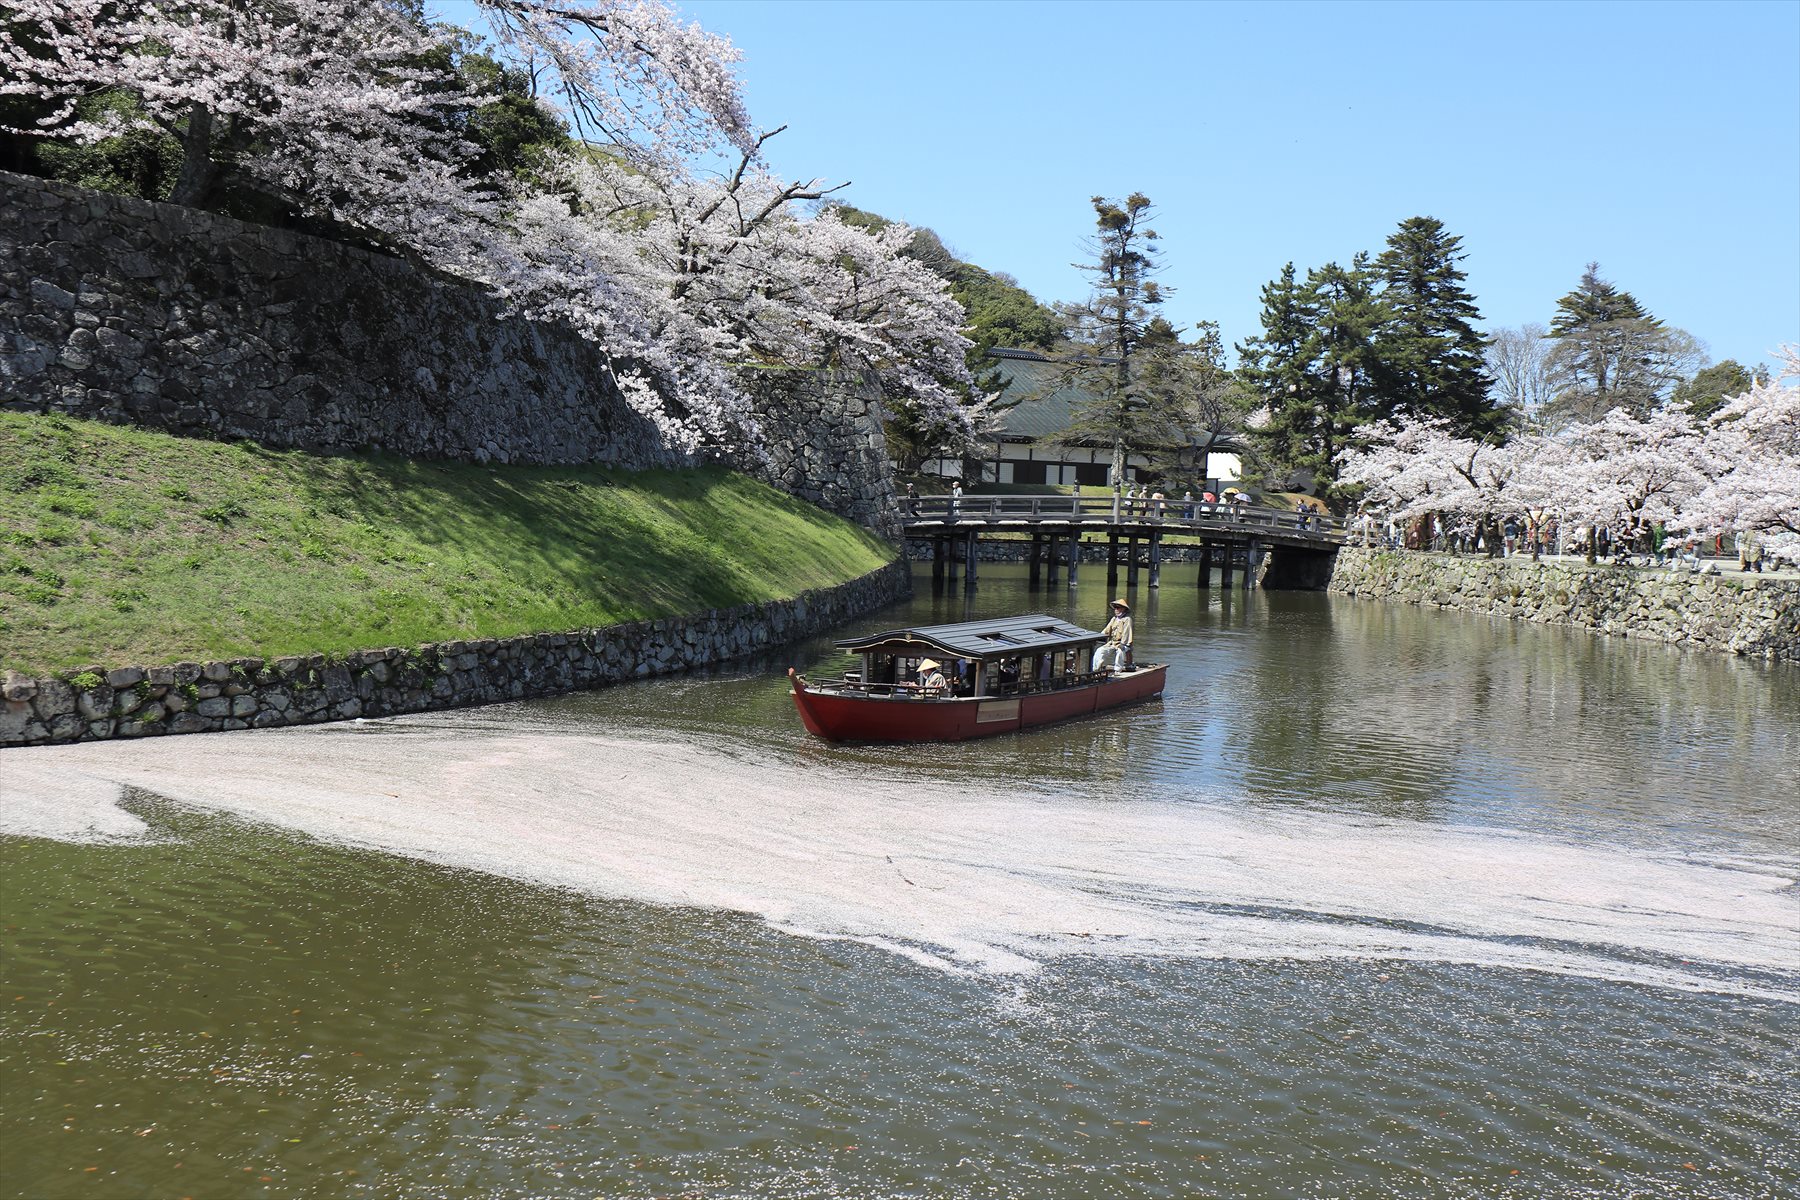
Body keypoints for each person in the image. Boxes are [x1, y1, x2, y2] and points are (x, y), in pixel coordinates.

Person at [1091, 598, 1133, 674]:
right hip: (1113, 643)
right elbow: (1106, 630)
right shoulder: (1114, 619)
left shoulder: (1127, 619)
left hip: (1124, 644)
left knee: (1120, 652)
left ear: (1123, 609)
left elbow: (1127, 633)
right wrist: (1098, 637)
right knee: (1100, 651)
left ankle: (1117, 670)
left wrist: (1123, 644)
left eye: (1118, 608)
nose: (1116, 610)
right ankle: (1096, 670)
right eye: (1115, 608)